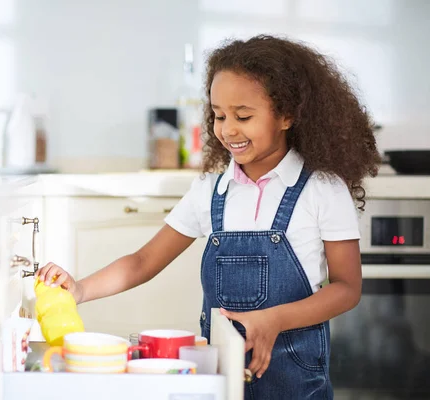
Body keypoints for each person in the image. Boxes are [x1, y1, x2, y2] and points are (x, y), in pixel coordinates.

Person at [37, 34, 381, 399]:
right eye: (219, 116)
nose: (228, 129)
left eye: (243, 116)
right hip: (220, 377)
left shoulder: (322, 189)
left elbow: (347, 288)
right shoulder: (209, 193)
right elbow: (141, 262)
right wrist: (80, 289)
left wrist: (274, 319)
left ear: (286, 115)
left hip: (296, 384)